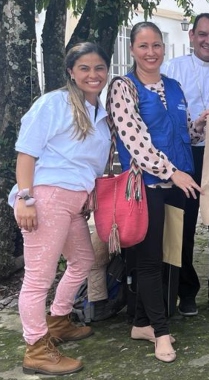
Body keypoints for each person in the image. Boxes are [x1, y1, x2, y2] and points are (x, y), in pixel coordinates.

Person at [106, 21, 209, 363]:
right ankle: (161, 334)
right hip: (147, 186)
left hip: (178, 186)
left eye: (156, 46)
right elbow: (135, 141)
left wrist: (202, 124)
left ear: (164, 48)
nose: (151, 53)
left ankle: (141, 323)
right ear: (133, 50)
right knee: (149, 261)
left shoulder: (175, 87)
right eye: (143, 46)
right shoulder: (124, 88)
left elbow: (185, 134)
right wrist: (171, 172)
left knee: (170, 259)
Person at [10, 42, 111, 375]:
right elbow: (26, 153)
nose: (92, 74)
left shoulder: (100, 113)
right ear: (71, 72)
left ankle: (58, 320)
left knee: (83, 260)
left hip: (74, 201)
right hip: (47, 196)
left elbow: (90, 165)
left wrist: (89, 197)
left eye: (98, 68)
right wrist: (25, 199)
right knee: (38, 278)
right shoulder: (53, 103)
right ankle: (37, 349)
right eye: (84, 68)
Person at [161, 13, 209, 316]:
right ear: (192, 35)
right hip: (185, 154)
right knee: (184, 223)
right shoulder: (173, 68)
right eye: (204, 35)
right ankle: (186, 289)